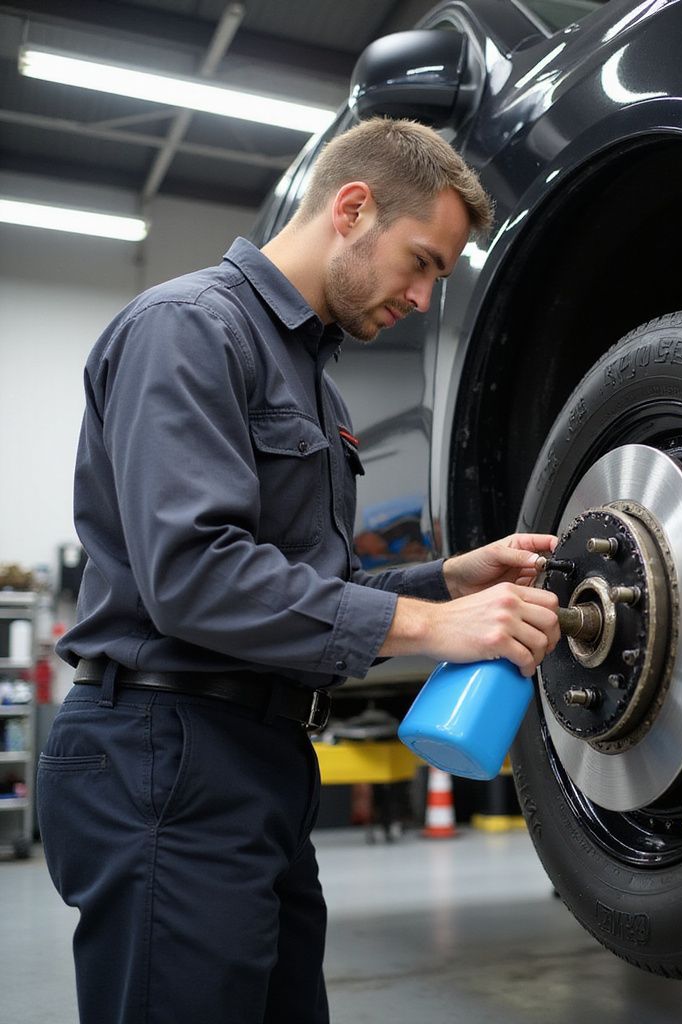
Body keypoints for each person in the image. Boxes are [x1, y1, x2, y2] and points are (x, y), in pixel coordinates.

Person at [38, 117, 561, 1024]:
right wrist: (432, 631)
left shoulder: (313, 378)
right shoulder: (189, 329)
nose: (425, 295)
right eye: (423, 261)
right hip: (166, 750)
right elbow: (197, 575)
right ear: (353, 209)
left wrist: (448, 583)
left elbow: (301, 583)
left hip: (260, 760)